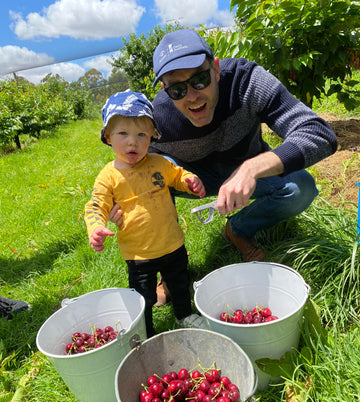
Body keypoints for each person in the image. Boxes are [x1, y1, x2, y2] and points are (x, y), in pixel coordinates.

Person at [143, 28, 338, 265]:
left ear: (215, 69)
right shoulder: (157, 117)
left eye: (200, 80)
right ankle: (171, 264)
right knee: (150, 179)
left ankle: (238, 229)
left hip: (250, 169)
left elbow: (319, 133)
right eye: (178, 89)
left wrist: (251, 169)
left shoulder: (246, 81)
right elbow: (137, 175)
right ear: (165, 89)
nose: (192, 97)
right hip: (195, 179)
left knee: (301, 187)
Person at [84, 90, 206, 337]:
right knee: (143, 297)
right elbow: (96, 205)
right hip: (139, 254)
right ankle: (147, 331)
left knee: (181, 284)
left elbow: (177, 175)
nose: (133, 142)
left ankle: (185, 314)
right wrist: (96, 227)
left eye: (142, 134)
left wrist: (190, 180)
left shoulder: (159, 163)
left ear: (152, 137)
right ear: (108, 137)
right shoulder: (109, 176)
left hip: (172, 244)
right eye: (123, 134)